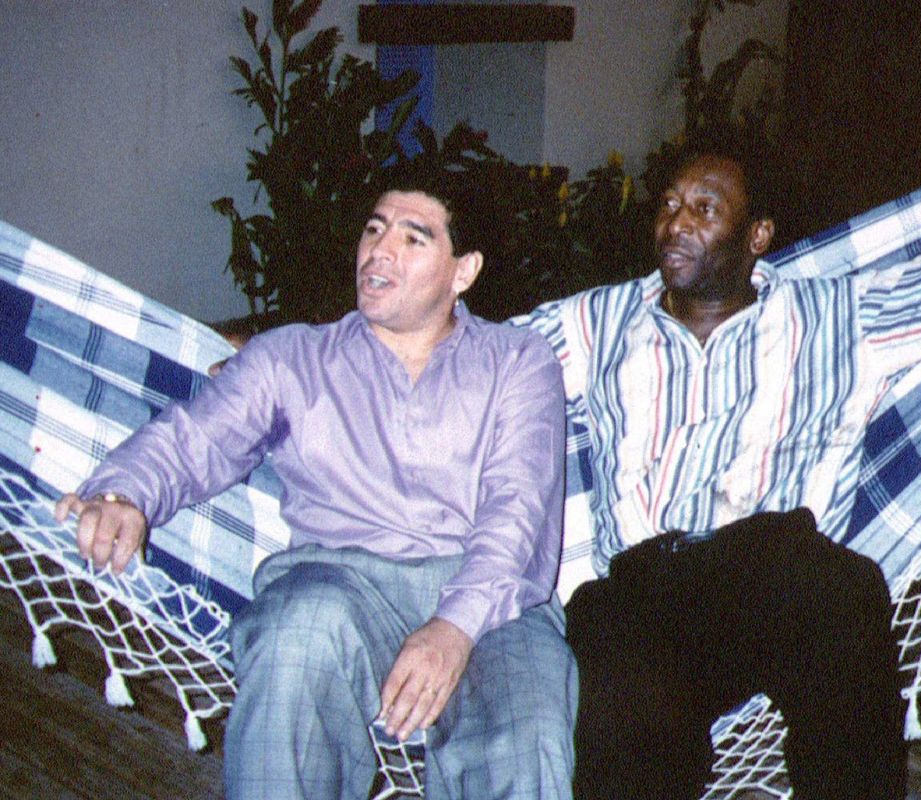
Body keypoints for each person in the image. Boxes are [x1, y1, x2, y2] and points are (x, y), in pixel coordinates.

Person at [516, 103, 921, 799]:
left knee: (841, 588)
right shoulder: (596, 322)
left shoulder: (834, 318)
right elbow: (476, 359)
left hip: (768, 577)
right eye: (669, 205)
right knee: (624, 726)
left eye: (705, 209)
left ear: (757, 234)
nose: (676, 224)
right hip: (640, 594)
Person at [55, 173, 577, 800]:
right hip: (339, 584)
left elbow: (518, 513)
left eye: (413, 239)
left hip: (489, 604)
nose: (379, 251)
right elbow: (197, 437)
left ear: (463, 271)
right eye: (374, 229)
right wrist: (124, 493)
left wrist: (453, 628)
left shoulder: (519, 362)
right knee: (294, 640)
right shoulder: (293, 359)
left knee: (528, 731)